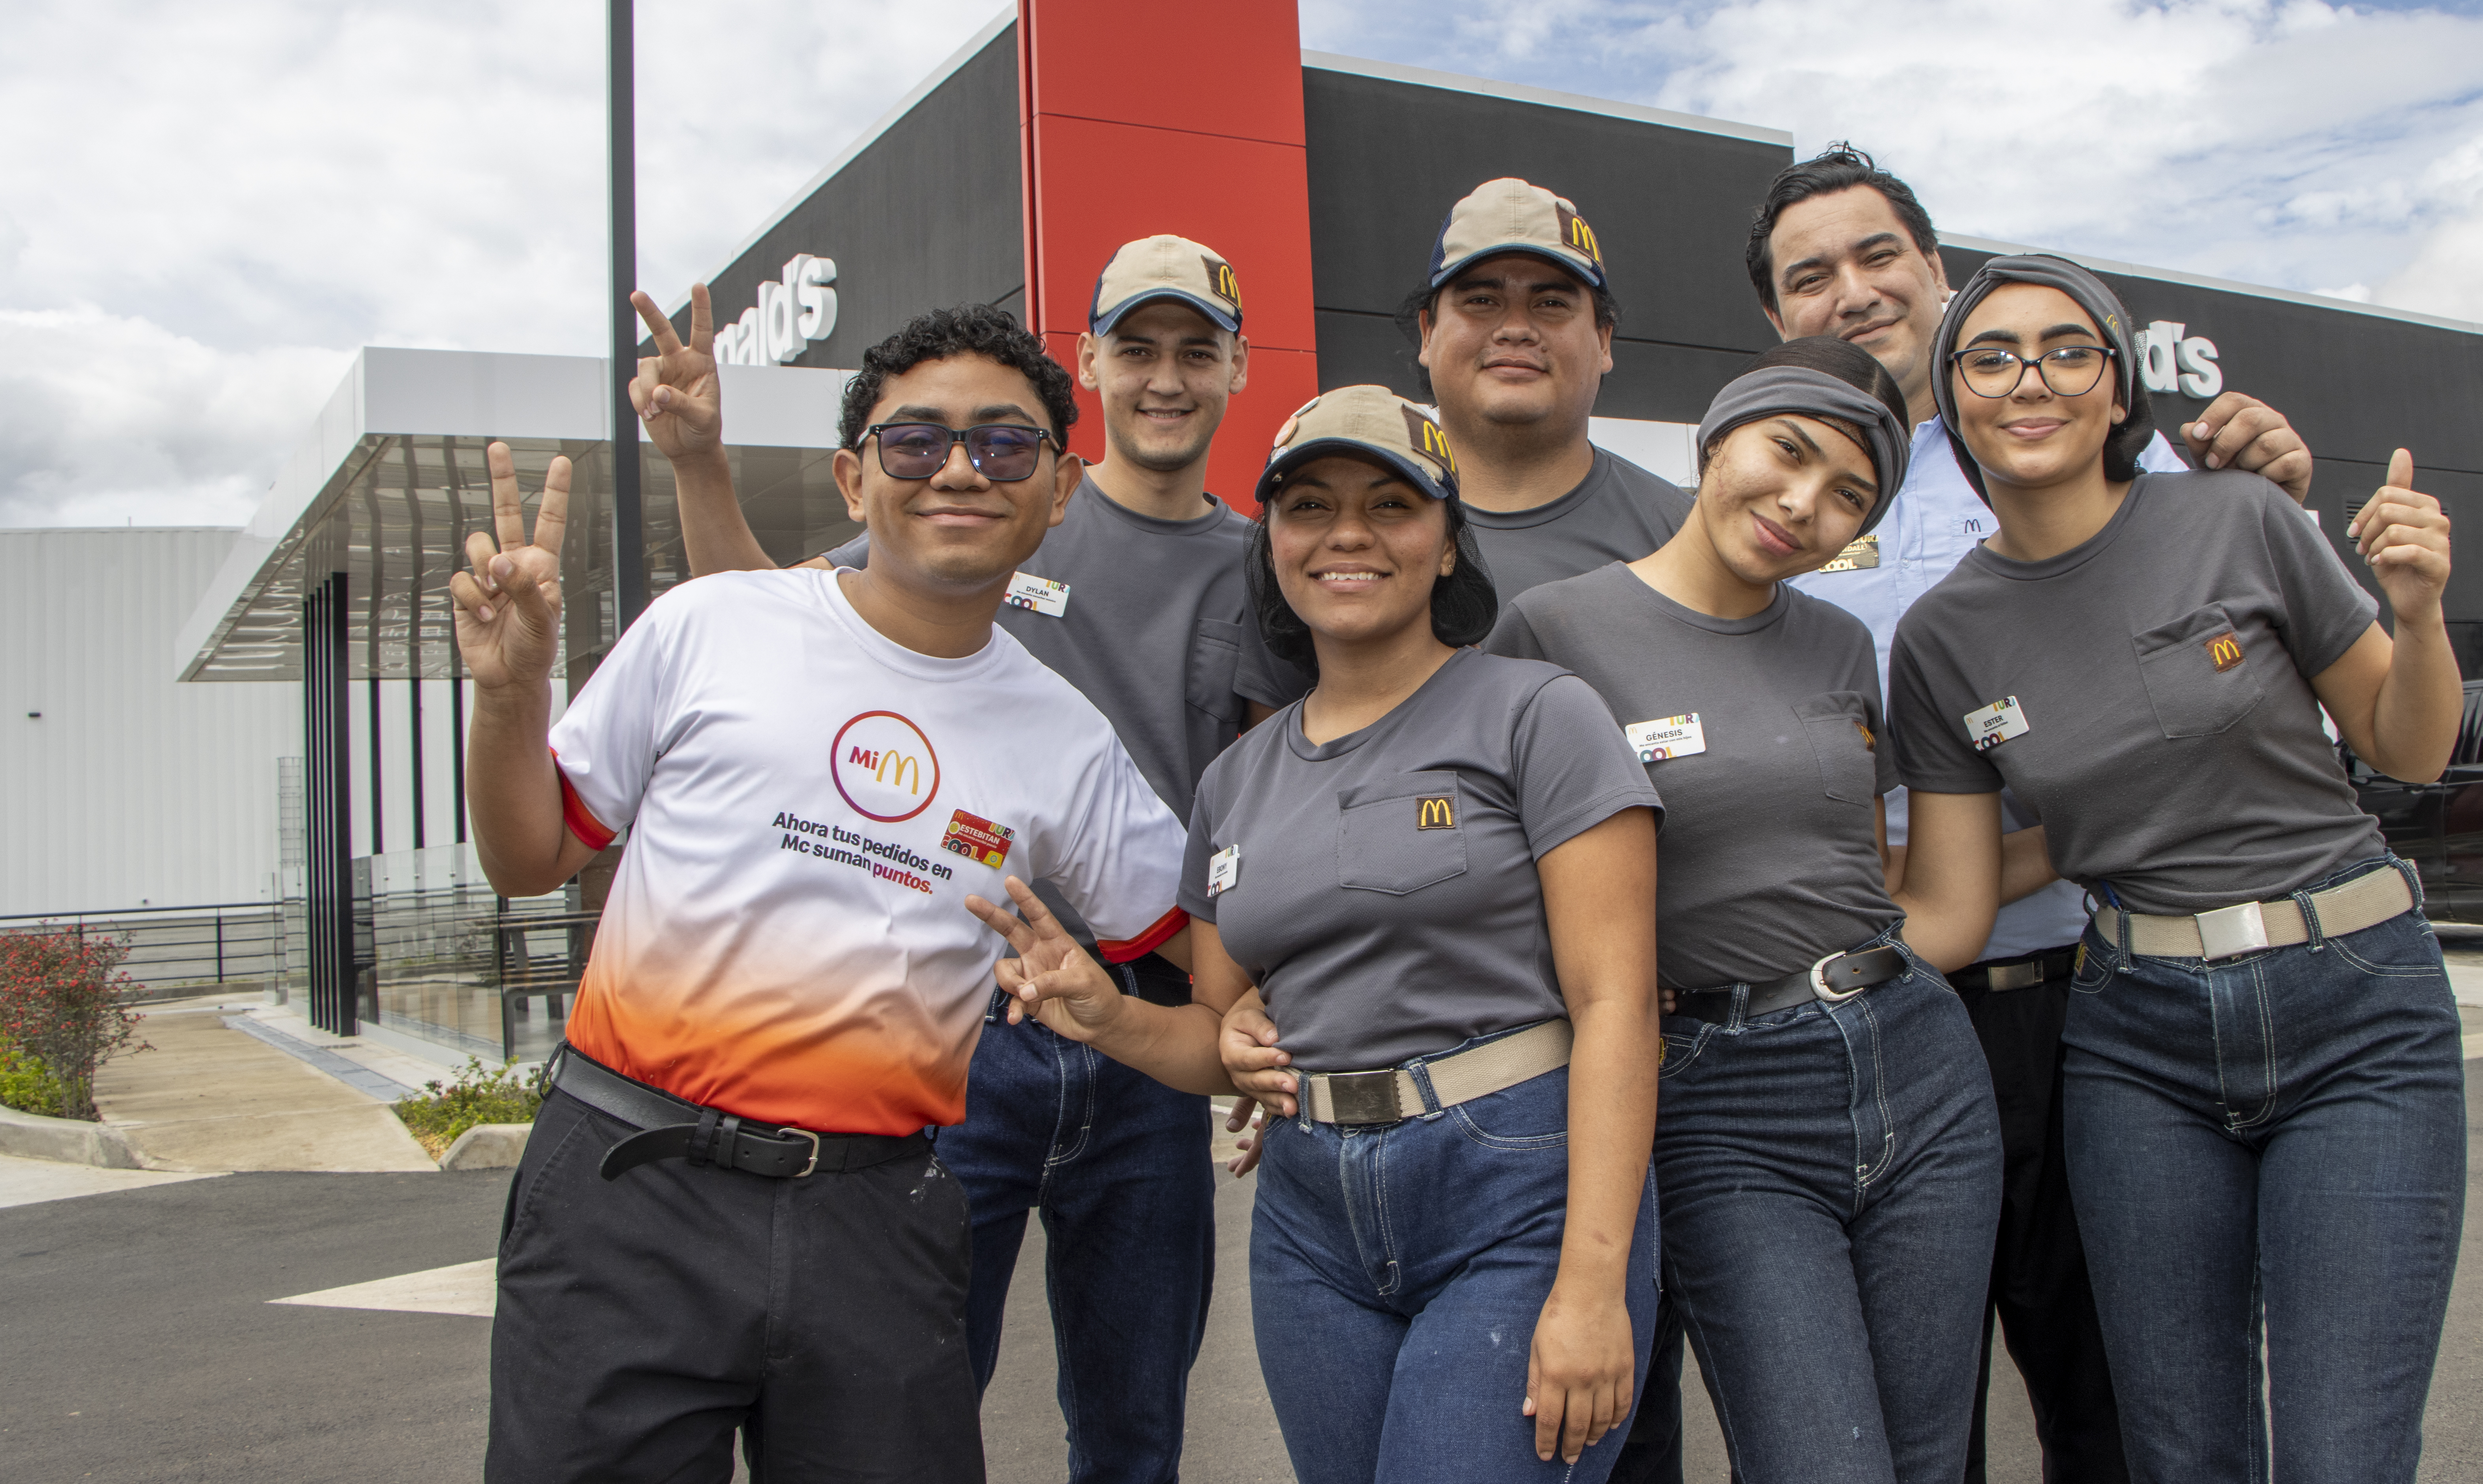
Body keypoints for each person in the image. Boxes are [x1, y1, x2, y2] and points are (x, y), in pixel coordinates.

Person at [460, 305, 1189, 1482]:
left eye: (1006, 445)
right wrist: (510, 695)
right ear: (855, 479)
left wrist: (1164, 1021)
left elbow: (1203, 946)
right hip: (625, 1193)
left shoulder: (1066, 738)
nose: (960, 467)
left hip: (879, 1221)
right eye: (917, 443)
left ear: (1059, 492)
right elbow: (528, 855)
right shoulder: (708, 626)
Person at [635, 238, 1305, 1484]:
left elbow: (1271, 816)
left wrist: (1254, 1010)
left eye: (1195, 351)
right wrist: (697, 465)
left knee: (1135, 1420)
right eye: (1138, 347)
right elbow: (773, 635)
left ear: (1234, 369)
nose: (1165, 377)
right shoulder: (992, 492)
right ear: (1091, 360)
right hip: (962, 1024)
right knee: (910, 1399)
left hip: (1149, 1033)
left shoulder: (1269, 563)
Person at [1739, 145, 2317, 1484]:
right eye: (1808, 276)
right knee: (1907, 1427)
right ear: (1778, 322)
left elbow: (2218, 655)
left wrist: (2268, 484)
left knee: (2117, 1403)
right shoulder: (1773, 505)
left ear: (1936, 273)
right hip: (1877, 1009)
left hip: (2082, 1003)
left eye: (1880, 255)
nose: (1855, 292)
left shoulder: (2068, 445)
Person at [967, 384, 1665, 1483]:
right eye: (1309, 506)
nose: (1348, 534)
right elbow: (1221, 1040)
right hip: (1309, 1223)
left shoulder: (1540, 715)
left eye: (1391, 505)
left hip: (1513, 1192)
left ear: (1446, 545)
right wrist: (1109, 1020)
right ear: (1275, 545)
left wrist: (1592, 1285)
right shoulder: (1234, 782)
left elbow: (1620, 1007)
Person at [1885, 254, 2462, 1484]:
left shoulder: (2238, 517)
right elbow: (1951, 899)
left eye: (2065, 350)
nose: (2027, 379)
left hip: (2356, 1007)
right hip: (2134, 1041)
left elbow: (2406, 743)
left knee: (2341, 1453)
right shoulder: (1943, 640)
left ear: (2115, 389)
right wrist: (1745, 945)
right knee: (2176, 1454)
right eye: (1989, 356)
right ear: (1953, 399)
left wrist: (2414, 612)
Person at [1480, 335, 2033, 1482]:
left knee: (1934, 1462)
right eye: (1787, 453)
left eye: (1849, 496)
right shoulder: (1553, 632)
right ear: (1718, 438)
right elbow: (1492, 886)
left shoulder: (1840, 644)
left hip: (1919, 1065)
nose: (1802, 506)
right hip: (1720, 1098)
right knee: (1819, 1462)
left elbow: (1873, 879)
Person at [1404, 177, 1696, 602]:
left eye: (1552, 303)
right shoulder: (1335, 535)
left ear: (1604, 340)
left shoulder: (1687, 539)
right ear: (1428, 334)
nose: (1517, 329)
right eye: (1482, 300)